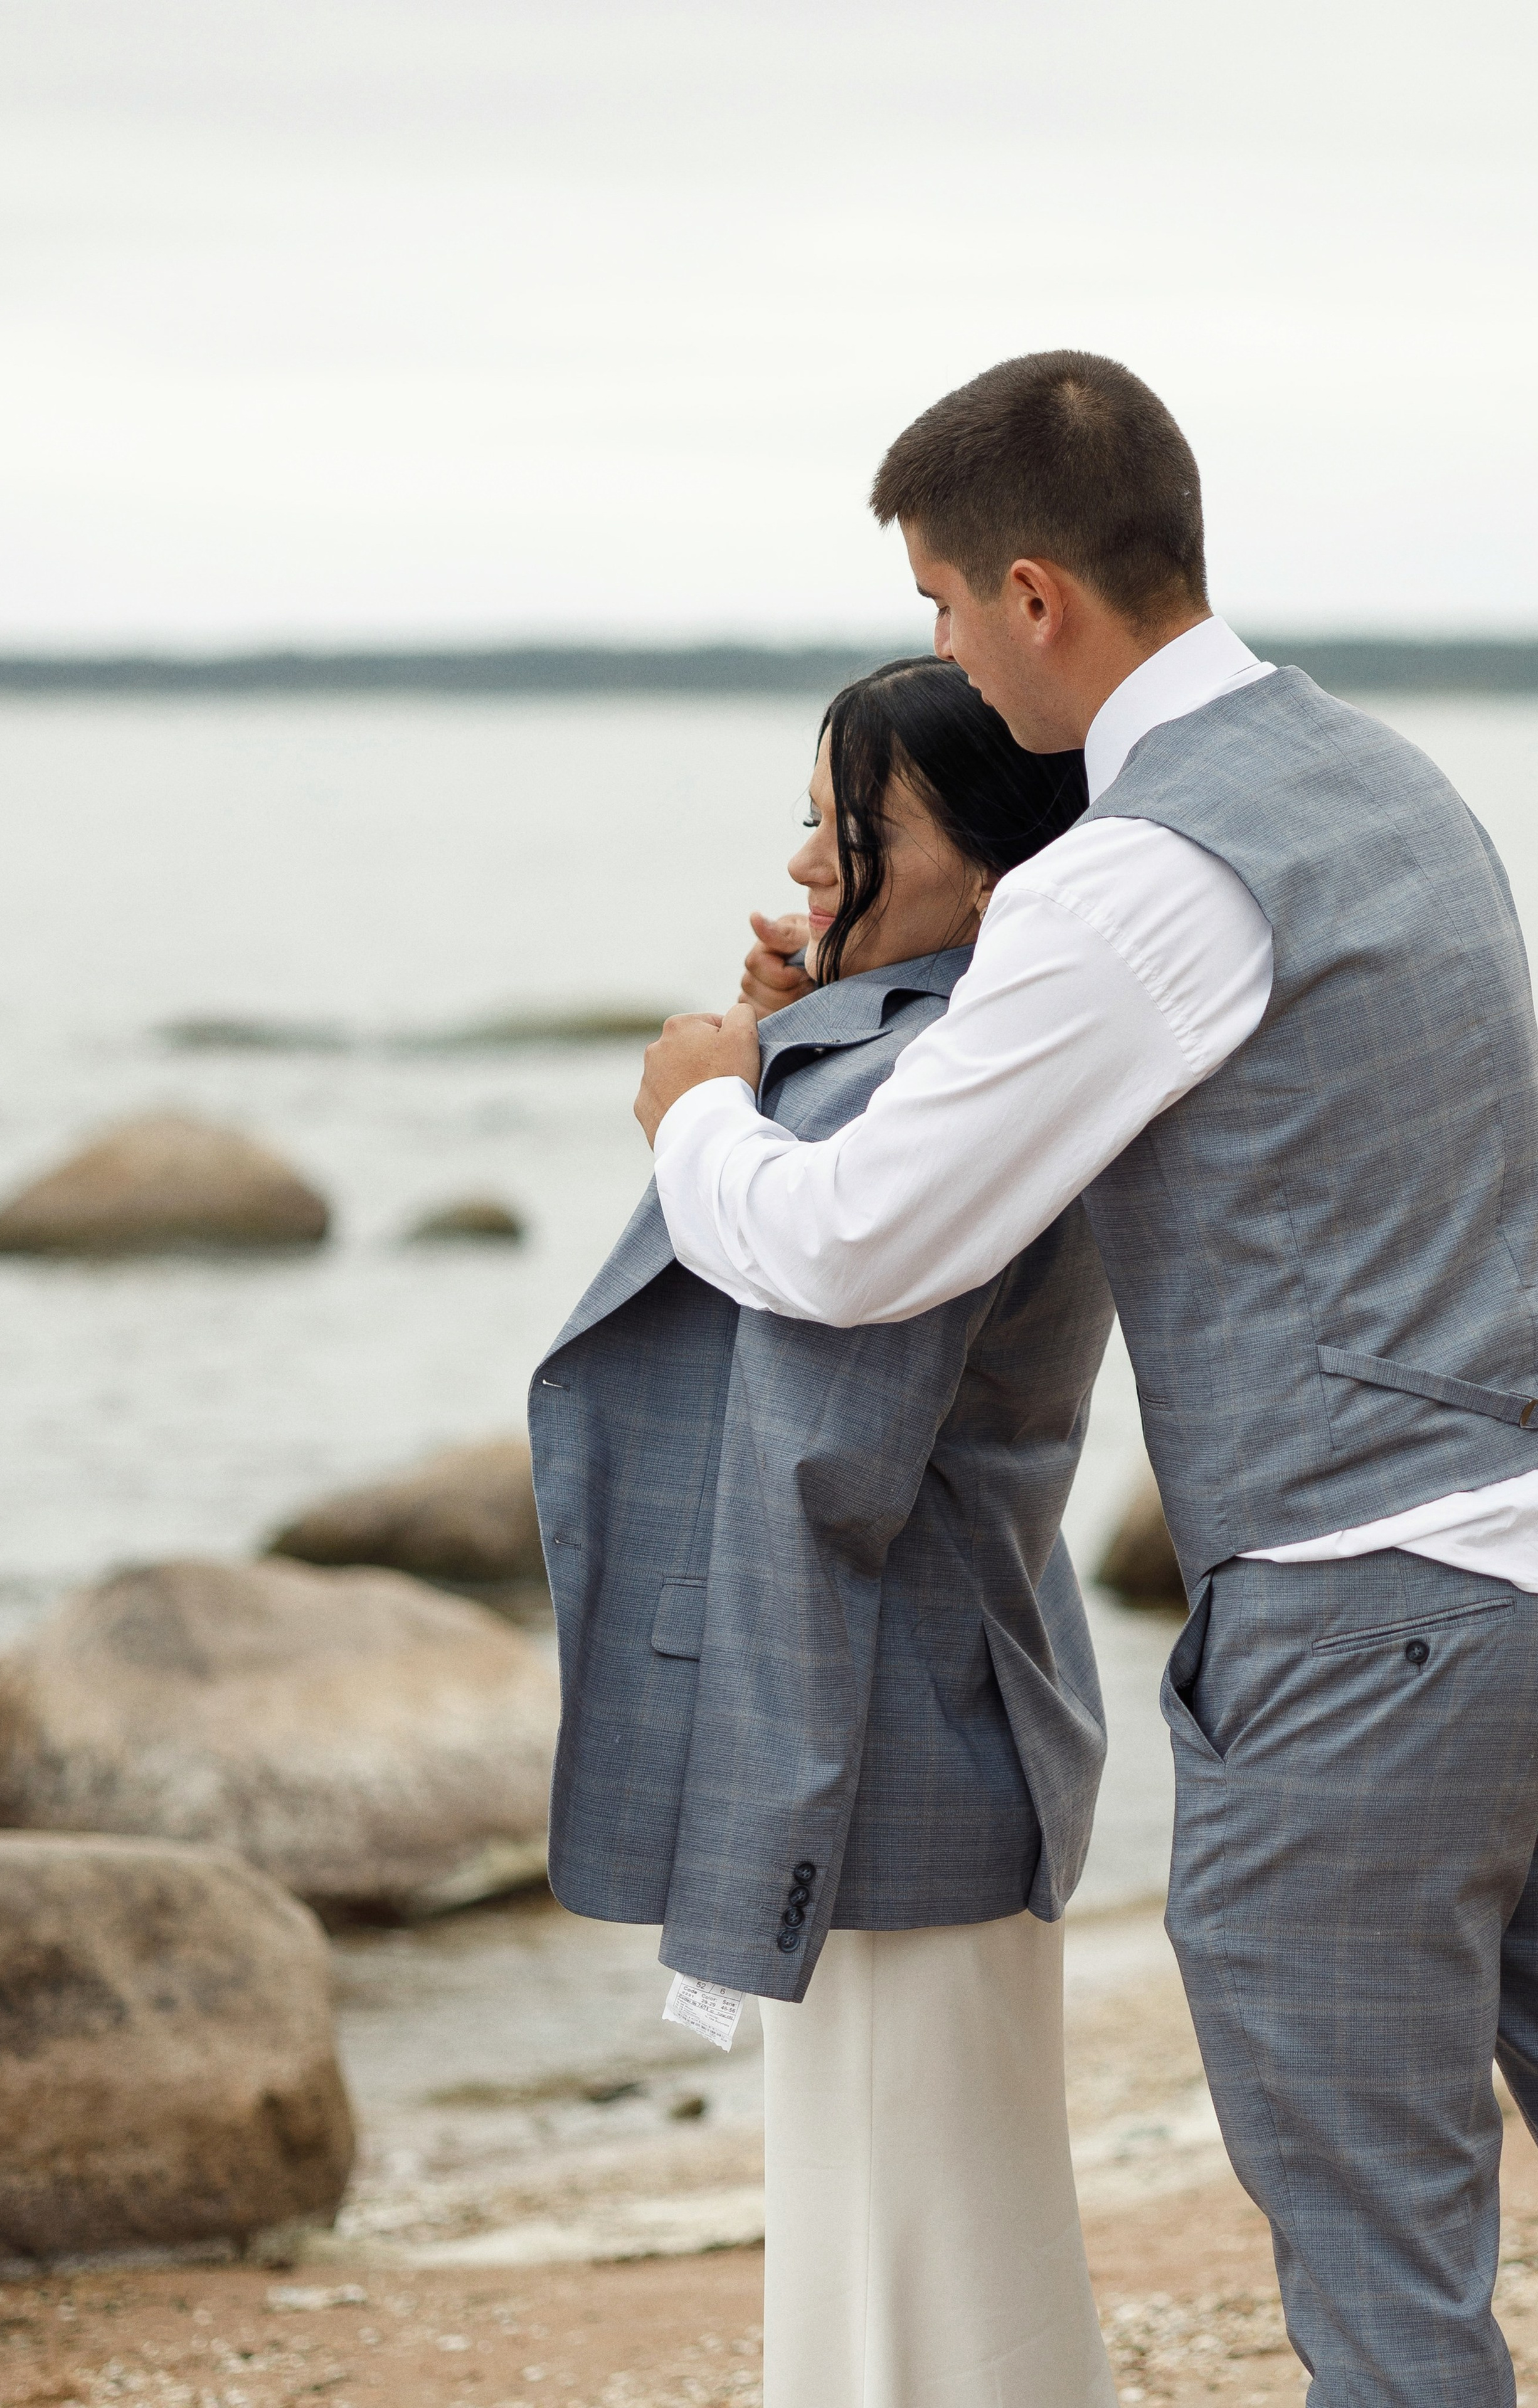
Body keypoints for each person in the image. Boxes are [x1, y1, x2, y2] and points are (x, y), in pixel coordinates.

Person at [635, 350, 1538, 2407]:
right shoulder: (1386, 776)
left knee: (1383, 2267)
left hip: (1371, 1629)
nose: (947, 656)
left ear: (1036, 593)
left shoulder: (1134, 877)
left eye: (941, 606)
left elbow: (858, 1239)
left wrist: (703, 1116)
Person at [530, 656, 1118, 2408]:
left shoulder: (933, 1082)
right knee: (933, 2253)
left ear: (1000, 870)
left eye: (850, 826)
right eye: (808, 817)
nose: (804, 862)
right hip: (935, 1714)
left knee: (912, 2276)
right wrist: (786, 1046)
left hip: (885, 1734)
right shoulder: (941, 1056)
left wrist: (713, 1102)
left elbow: (819, 1461)